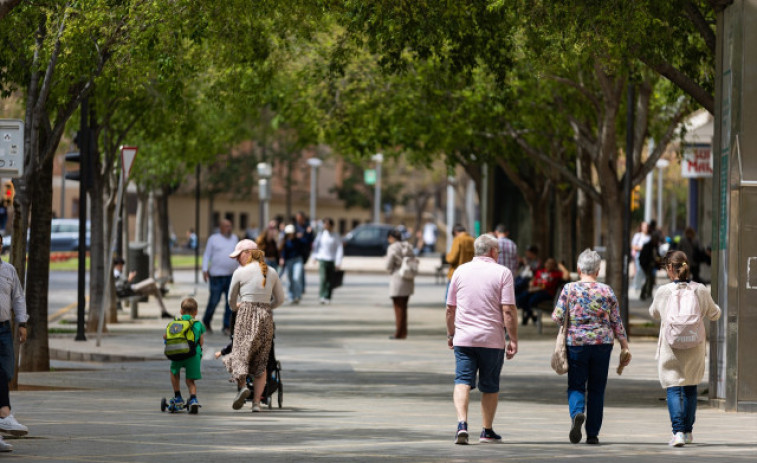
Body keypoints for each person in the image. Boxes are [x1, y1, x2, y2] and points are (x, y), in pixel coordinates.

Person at [552, 249, 631, 445]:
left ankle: (578, 412)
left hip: (576, 343)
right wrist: (624, 345)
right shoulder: (607, 290)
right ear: (597, 270)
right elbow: (616, 320)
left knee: (576, 385)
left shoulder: (569, 289)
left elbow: (557, 317)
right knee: (597, 388)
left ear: (579, 269)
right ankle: (593, 434)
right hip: (603, 344)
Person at [446, 234, 518, 445]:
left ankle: (462, 424)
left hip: (464, 339)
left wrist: (451, 334)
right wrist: (513, 338)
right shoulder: (503, 273)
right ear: (493, 252)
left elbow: (450, 308)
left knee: (462, 381)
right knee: (490, 385)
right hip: (491, 340)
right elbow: (508, 310)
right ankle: (486, 431)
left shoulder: (460, 271)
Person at [649, 250, 721, 447]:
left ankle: (678, 432)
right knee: (690, 387)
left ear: (670, 269)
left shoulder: (664, 292)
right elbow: (715, 314)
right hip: (694, 345)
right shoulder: (700, 290)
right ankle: (688, 432)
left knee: (673, 387)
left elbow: (654, 313)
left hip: (670, 347)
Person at [224, 239, 285, 413]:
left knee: (240, 355)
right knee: (261, 360)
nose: (237, 260)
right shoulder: (271, 272)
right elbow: (280, 299)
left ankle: (243, 387)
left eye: (239, 255)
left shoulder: (240, 273)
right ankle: (257, 403)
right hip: (266, 317)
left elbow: (231, 300)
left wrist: (237, 307)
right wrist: (266, 307)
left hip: (245, 315)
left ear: (248, 253)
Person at [0, 237, 29, 451]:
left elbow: (18, 297)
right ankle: (5, 412)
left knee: (6, 371)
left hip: (3, 327)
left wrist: (22, 322)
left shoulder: (8, 270)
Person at [164, 297, 206, 414]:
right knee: (190, 380)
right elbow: (201, 342)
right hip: (193, 355)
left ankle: (177, 397)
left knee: (174, 372)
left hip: (177, 353)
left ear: (181, 311)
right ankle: (193, 399)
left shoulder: (174, 323)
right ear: (196, 312)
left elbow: (166, 337)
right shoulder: (198, 324)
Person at [201, 219, 239, 334]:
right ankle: (206, 321)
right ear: (221, 227)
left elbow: (238, 255)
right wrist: (204, 269)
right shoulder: (213, 239)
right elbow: (207, 255)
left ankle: (227, 326)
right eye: (227, 226)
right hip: (216, 276)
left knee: (230, 302)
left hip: (231, 276)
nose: (229, 228)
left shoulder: (234, 239)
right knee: (214, 301)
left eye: (230, 226)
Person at [516, 258, 569, 325]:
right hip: (534, 290)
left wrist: (561, 266)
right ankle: (532, 316)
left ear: (554, 265)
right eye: (548, 263)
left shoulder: (556, 274)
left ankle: (530, 317)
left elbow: (567, 277)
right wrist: (531, 284)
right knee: (520, 299)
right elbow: (533, 280)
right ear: (545, 264)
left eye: (552, 263)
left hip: (546, 292)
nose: (549, 265)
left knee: (531, 301)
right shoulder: (540, 271)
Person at [385, 229, 416, 339]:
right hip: (408, 278)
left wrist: (390, 271)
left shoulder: (392, 247)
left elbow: (388, 265)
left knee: (398, 308)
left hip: (397, 278)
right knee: (404, 307)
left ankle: (398, 333)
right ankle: (404, 332)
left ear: (391, 238)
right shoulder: (409, 246)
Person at [312, 218, 343, 305]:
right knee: (323, 278)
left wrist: (338, 262)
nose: (326, 226)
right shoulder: (321, 235)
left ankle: (327, 296)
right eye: (325, 224)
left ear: (332, 226)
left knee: (330, 280)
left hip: (332, 260)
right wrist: (314, 257)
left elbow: (339, 249)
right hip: (322, 259)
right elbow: (316, 246)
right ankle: (322, 296)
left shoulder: (336, 236)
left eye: (328, 224)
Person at [280, 224, 307, 304]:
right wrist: (282, 259)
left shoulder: (299, 240)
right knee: (289, 279)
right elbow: (283, 251)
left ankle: (297, 296)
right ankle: (291, 296)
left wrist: (307, 233)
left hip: (298, 260)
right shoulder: (285, 242)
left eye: (292, 233)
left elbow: (307, 243)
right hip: (288, 261)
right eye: (289, 233)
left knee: (297, 277)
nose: (291, 235)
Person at [639, 233, 661, 301]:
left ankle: (648, 293)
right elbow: (643, 257)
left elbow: (657, 255)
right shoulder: (647, 246)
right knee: (648, 279)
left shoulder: (655, 246)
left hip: (652, 265)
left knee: (651, 279)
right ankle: (644, 294)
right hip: (647, 265)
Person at [631, 222, 650, 290]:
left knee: (645, 272)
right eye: (644, 226)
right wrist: (642, 248)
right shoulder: (638, 235)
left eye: (646, 226)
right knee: (639, 270)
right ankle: (637, 286)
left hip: (647, 257)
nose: (645, 228)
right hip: (639, 256)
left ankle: (643, 286)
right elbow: (633, 246)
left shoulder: (649, 237)